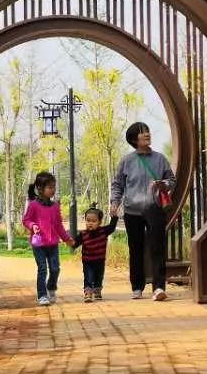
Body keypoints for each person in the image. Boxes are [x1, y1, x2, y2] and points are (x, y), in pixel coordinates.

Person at [109, 121, 175, 301]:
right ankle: (137, 287)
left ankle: (159, 287)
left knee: (157, 248)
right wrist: (115, 202)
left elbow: (171, 180)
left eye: (147, 131)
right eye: (142, 132)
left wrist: (163, 184)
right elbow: (117, 184)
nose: (147, 134)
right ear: (133, 139)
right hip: (132, 211)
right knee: (136, 249)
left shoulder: (160, 159)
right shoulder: (127, 161)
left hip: (155, 209)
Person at [20, 171, 72, 307]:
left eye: (54, 187)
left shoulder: (55, 206)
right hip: (39, 244)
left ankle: (51, 287)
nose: (53, 190)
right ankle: (42, 295)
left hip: (53, 244)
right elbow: (26, 220)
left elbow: (59, 225)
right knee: (42, 269)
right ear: (40, 188)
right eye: (50, 187)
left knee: (55, 269)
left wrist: (66, 239)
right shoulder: (33, 205)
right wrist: (33, 225)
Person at [72, 205, 119, 303]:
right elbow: (75, 243)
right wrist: (70, 242)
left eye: (94, 221)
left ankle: (97, 290)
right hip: (87, 262)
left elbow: (112, 227)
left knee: (98, 276)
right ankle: (88, 292)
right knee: (88, 277)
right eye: (88, 220)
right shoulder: (83, 234)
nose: (90, 223)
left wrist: (114, 217)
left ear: (99, 222)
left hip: (99, 261)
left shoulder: (103, 231)